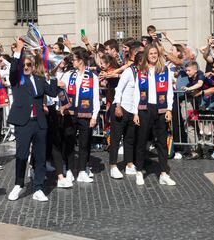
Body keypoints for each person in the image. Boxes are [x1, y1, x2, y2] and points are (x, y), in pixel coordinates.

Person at [7, 39, 57, 202]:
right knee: (21, 155)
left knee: (40, 156)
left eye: (29, 64)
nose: (26, 67)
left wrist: (54, 77)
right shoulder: (17, 79)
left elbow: (52, 92)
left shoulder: (39, 79)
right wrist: (18, 51)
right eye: (24, 65)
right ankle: (19, 184)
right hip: (24, 123)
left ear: (34, 66)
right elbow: (14, 69)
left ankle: (38, 187)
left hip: (40, 122)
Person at [133, 44, 176, 186]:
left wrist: (169, 109)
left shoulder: (165, 70)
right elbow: (136, 92)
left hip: (161, 108)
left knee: (162, 142)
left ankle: (164, 173)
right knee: (142, 140)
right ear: (146, 55)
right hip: (144, 108)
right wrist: (135, 112)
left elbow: (169, 90)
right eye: (150, 53)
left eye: (155, 53)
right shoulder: (141, 71)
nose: (153, 55)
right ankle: (139, 171)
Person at [58, 47, 100, 183]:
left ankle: (82, 170)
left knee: (84, 143)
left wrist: (94, 116)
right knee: (69, 142)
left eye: (74, 59)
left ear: (81, 61)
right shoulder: (69, 74)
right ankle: (69, 169)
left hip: (86, 113)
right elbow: (60, 87)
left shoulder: (92, 77)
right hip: (70, 113)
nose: (72, 62)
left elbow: (95, 97)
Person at [109, 47, 144, 179]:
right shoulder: (129, 72)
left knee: (130, 139)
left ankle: (129, 164)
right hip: (121, 107)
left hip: (132, 110)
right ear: (140, 61)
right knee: (116, 139)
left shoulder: (143, 73)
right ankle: (113, 165)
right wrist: (117, 105)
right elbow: (119, 89)